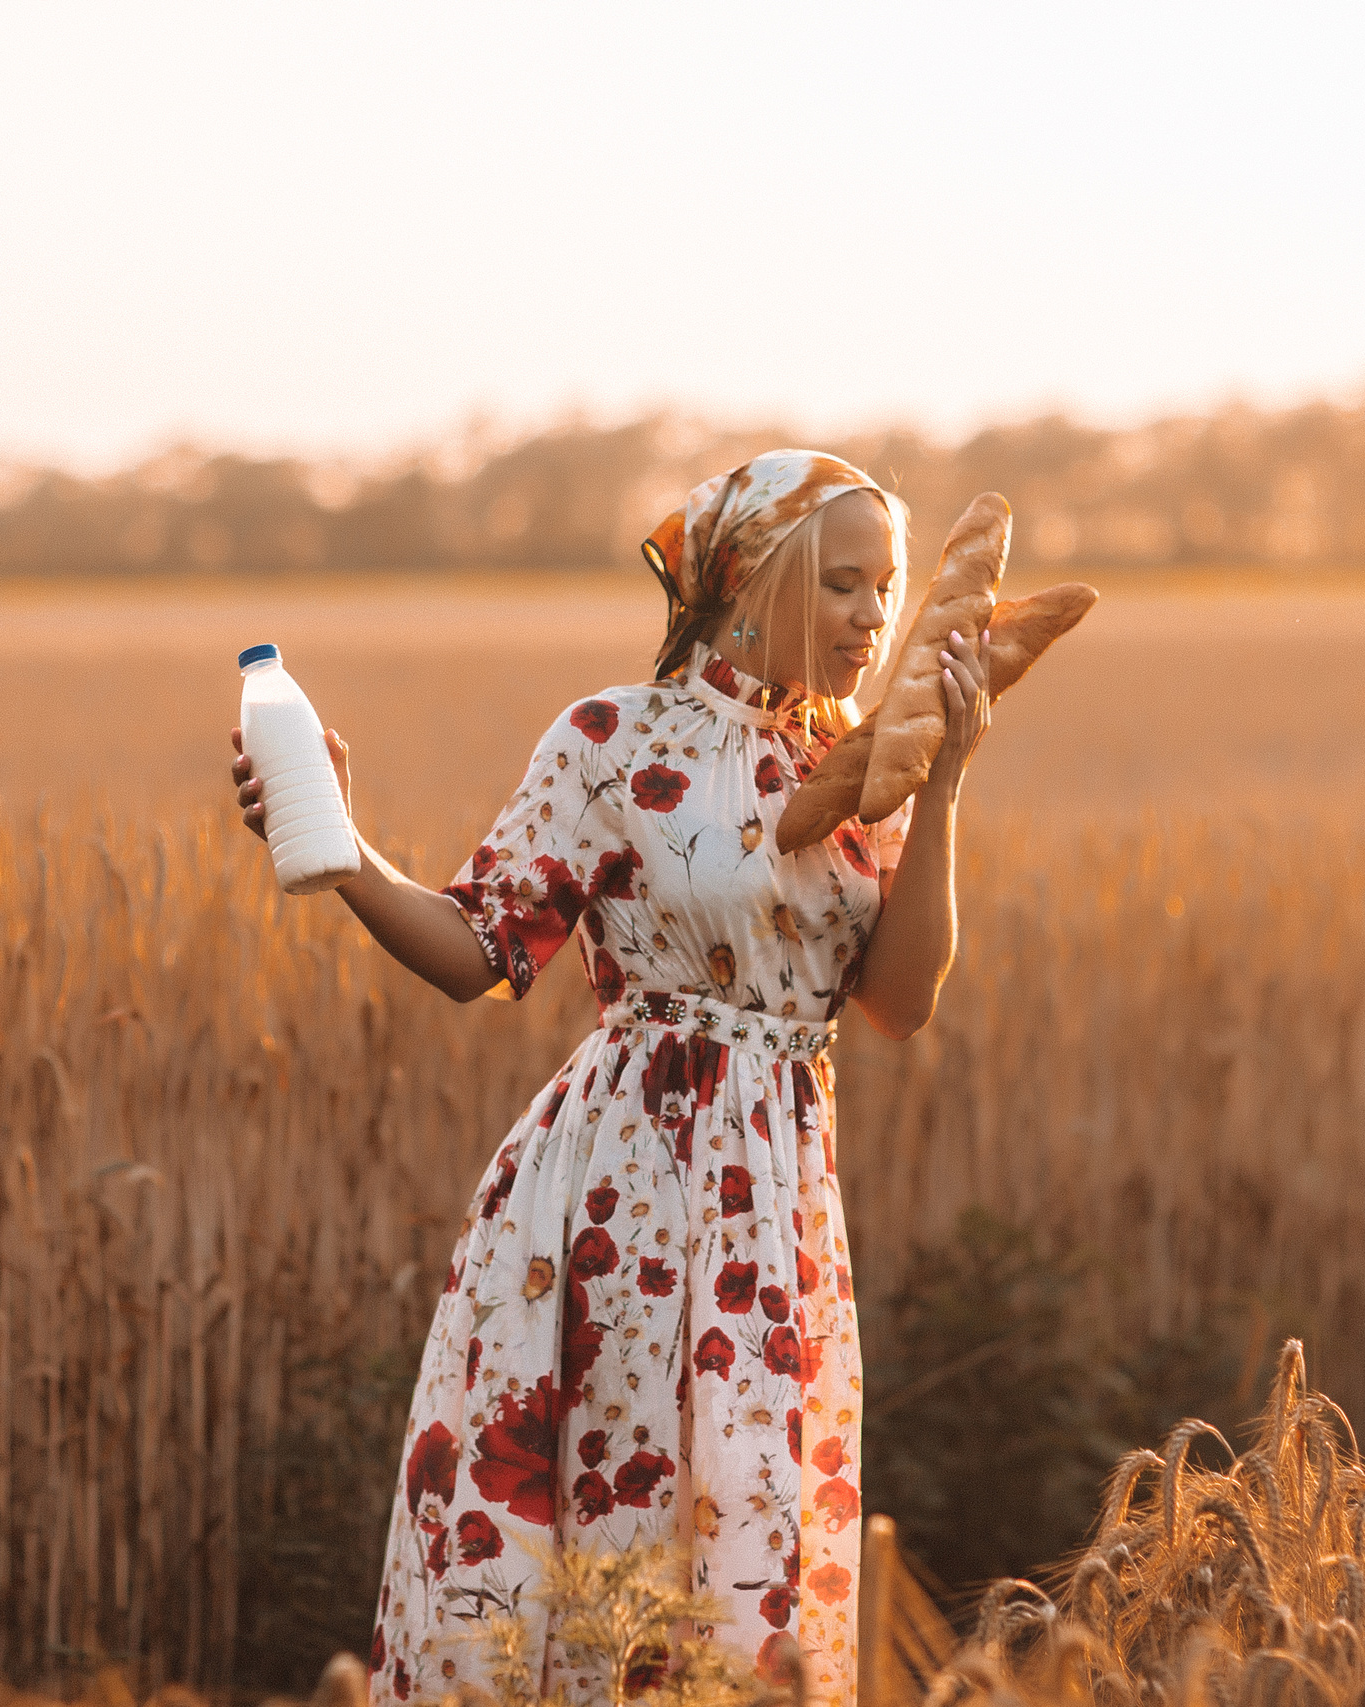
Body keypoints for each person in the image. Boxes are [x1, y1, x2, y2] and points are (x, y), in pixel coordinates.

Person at [231, 450, 992, 1705]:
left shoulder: (867, 770)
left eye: (888, 587)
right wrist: (342, 851)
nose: (875, 616)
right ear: (750, 577)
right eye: (846, 584)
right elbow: (476, 951)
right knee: (614, 1528)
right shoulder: (614, 739)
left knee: (744, 1538)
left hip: (775, 1214)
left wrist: (948, 775)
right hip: (619, 1201)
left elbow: (901, 1005)